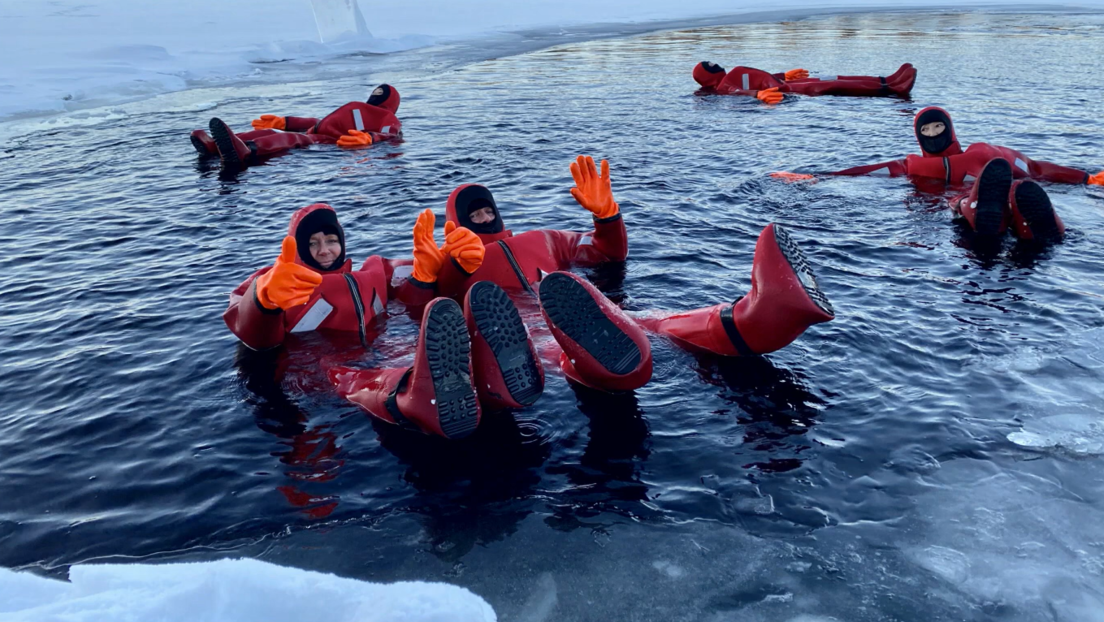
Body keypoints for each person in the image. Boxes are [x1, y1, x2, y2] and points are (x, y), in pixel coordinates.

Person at [332, 157, 836, 421]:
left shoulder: (541, 239)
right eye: (474, 214)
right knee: (524, 345)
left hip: (551, 309)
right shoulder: (437, 257)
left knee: (648, 321)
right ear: (456, 221)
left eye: (488, 210)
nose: (484, 219)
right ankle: (588, 365)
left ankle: (759, 316)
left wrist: (608, 216)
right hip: (498, 324)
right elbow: (415, 304)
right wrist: (438, 273)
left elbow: (606, 255)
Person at [225, 202, 530, 441]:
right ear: (298, 249)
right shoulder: (278, 281)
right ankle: (414, 398)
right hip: (320, 366)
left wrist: (431, 274)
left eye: (331, 240)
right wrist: (263, 301)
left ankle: (489, 377)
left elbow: (412, 300)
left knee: (413, 344)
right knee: (345, 375)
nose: (324, 251)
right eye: (313, 244)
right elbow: (250, 331)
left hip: (379, 347)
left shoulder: (372, 272)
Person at [774, 106, 1103, 240]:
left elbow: (1034, 169)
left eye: (938, 127)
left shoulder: (982, 154)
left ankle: (1031, 221)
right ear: (919, 136)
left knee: (1016, 193)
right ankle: (997, 214)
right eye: (926, 130)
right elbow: (867, 172)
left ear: (950, 128)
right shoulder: (912, 165)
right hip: (960, 206)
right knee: (964, 203)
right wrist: (820, 176)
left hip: (981, 199)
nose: (933, 134)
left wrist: (1085, 177)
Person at [191, 84, 402, 168]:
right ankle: (216, 145)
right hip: (319, 132)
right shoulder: (359, 108)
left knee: (295, 139)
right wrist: (285, 122)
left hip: (329, 142)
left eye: (380, 94)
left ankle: (249, 150)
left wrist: (370, 138)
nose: (375, 96)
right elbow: (317, 122)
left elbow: (389, 134)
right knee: (269, 131)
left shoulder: (388, 118)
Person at [693, 61, 916, 104]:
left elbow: (758, 77)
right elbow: (737, 92)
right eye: (710, 66)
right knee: (832, 85)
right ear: (708, 76)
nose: (716, 64)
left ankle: (888, 79)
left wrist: (783, 75)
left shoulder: (729, 76)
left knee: (834, 77)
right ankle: (893, 88)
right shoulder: (724, 87)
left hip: (784, 83)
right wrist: (757, 95)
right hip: (788, 91)